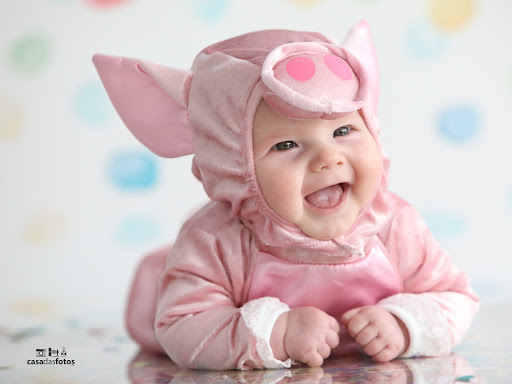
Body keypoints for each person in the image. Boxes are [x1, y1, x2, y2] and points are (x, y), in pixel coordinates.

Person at [93, 20, 479, 370]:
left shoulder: (394, 225)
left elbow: (455, 296)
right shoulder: (216, 240)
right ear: (235, 164)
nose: (328, 159)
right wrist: (278, 332)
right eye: (287, 144)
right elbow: (182, 323)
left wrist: (403, 323)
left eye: (343, 131)